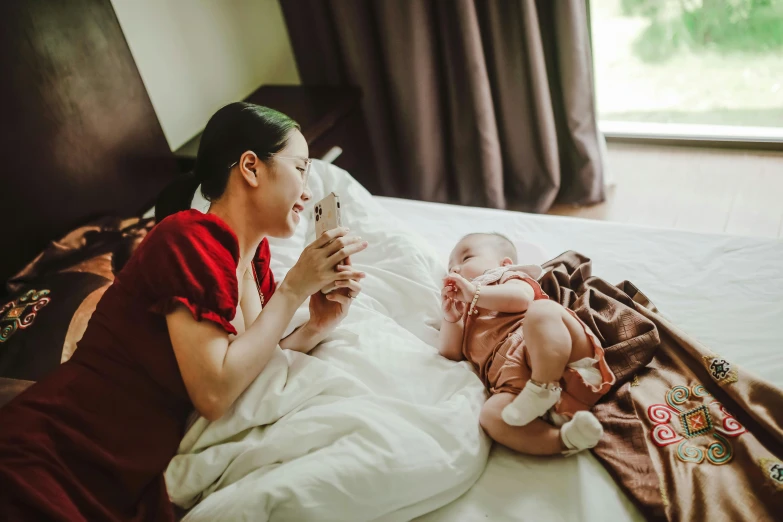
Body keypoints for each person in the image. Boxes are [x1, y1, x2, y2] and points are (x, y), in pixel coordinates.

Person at [0, 102, 368, 521]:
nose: (307, 190)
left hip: (126, 471)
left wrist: (317, 325)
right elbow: (213, 393)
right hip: (60, 452)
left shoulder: (255, 257)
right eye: (300, 168)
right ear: (250, 167)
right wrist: (292, 291)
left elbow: (248, 364)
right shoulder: (186, 239)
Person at [439, 233, 615, 456]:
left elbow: (520, 299)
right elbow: (450, 354)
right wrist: (451, 318)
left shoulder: (505, 278)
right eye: (450, 267)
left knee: (542, 311)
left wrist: (476, 292)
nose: (455, 270)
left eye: (465, 259)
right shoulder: (463, 310)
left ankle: (543, 386)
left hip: (564, 357)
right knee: (491, 415)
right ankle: (565, 439)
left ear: (505, 264)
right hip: (519, 395)